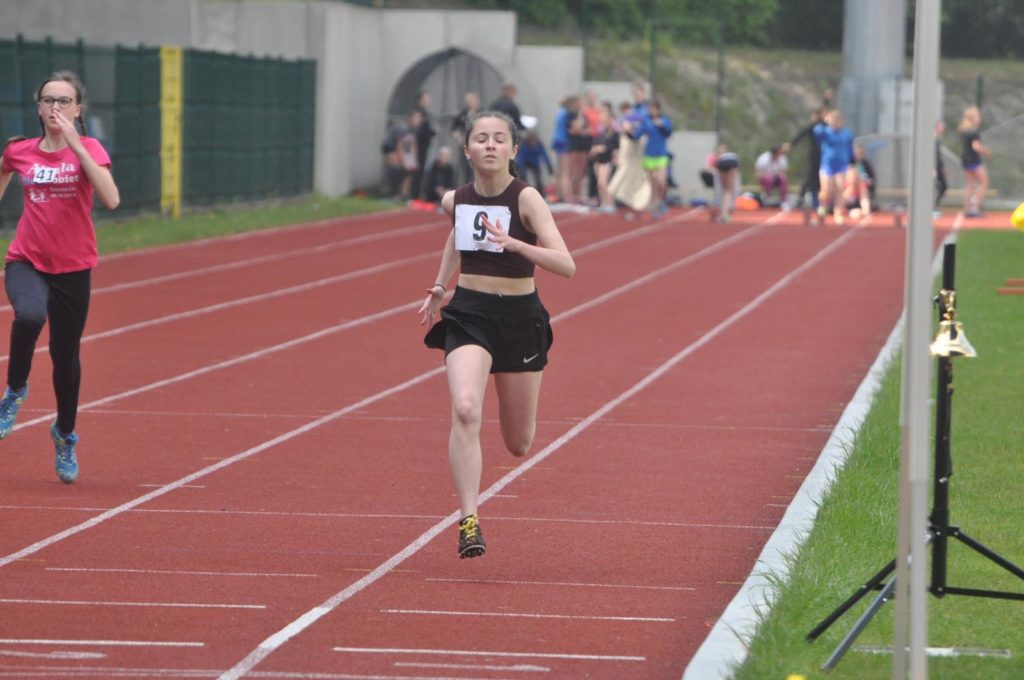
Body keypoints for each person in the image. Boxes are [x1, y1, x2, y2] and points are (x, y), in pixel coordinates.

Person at [417, 110, 575, 559]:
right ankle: (469, 521)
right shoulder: (455, 200)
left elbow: (566, 264)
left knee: (518, 443)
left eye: (499, 138)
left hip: (521, 318)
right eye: (481, 138)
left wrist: (516, 244)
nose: (490, 145)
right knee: (466, 409)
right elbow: (457, 236)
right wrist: (441, 286)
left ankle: (478, 503)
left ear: (513, 150)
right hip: (470, 313)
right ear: (467, 149)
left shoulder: (527, 199)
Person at [0, 71, 120, 483]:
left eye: (64, 101)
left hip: (73, 268)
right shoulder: (19, 151)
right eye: (48, 100)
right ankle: (14, 392)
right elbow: (4, 169)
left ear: (77, 109)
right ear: (38, 108)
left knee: (64, 356)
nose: (56, 107)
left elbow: (111, 198)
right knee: (30, 316)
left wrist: (76, 145)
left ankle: (65, 433)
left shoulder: (90, 149)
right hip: (26, 260)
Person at [625, 97, 672, 219]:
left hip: (661, 155)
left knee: (661, 182)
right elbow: (636, 136)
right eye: (650, 109)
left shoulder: (664, 120)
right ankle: (655, 207)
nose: (651, 111)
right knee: (653, 183)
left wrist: (661, 126)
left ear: (658, 109)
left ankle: (661, 200)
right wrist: (628, 131)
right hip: (649, 156)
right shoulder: (646, 121)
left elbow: (668, 133)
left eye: (653, 109)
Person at [813, 109, 854, 225]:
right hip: (828, 165)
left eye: (837, 121)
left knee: (840, 188)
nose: (836, 124)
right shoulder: (825, 132)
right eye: (833, 121)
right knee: (827, 190)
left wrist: (851, 162)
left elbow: (850, 148)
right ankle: (822, 206)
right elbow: (816, 132)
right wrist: (824, 121)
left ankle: (838, 213)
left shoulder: (847, 134)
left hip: (841, 165)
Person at [788, 107, 826, 210]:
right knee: (812, 178)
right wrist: (791, 144)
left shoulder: (827, 126)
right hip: (816, 156)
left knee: (822, 179)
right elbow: (802, 134)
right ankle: (806, 199)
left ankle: (821, 202)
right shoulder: (815, 126)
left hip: (826, 156)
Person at [958, 105, 991, 217]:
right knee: (984, 183)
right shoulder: (974, 131)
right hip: (974, 161)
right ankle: (975, 209)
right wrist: (985, 151)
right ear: (972, 118)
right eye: (977, 116)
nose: (979, 118)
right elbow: (975, 147)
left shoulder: (966, 130)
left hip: (965, 160)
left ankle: (967, 210)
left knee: (970, 185)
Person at [706, 144, 741, 223]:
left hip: (722, 163)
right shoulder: (733, 156)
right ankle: (725, 213)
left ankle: (723, 212)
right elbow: (737, 172)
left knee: (725, 191)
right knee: (729, 191)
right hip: (731, 162)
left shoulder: (718, 157)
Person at [844, 142, 875, 219]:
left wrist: (860, 211)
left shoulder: (861, 186)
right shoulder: (842, 186)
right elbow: (838, 206)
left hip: (856, 207)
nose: (853, 177)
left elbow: (866, 208)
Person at [934, 120, 948, 214]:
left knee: (944, 186)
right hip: (934, 167)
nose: (942, 129)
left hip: (938, 166)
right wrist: (932, 168)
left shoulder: (938, 138)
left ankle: (935, 204)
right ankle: (931, 206)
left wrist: (942, 167)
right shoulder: (933, 138)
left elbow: (938, 155)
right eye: (940, 126)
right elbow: (932, 154)